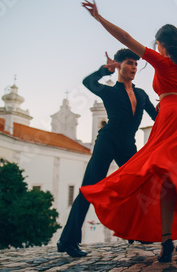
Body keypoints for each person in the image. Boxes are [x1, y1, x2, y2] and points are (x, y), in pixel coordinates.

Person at [80, 0, 177, 263]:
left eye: (158, 43)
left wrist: (99, 18)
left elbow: (125, 37)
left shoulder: (163, 62)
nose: (156, 47)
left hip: (170, 117)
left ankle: (167, 241)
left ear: (162, 44)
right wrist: (176, 94)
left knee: (156, 175)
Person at [57, 48, 158, 257]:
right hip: (107, 141)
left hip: (128, 146)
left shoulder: (141, 94)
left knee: (141, 185)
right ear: (120, 65)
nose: (134, 67)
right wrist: (105, 70)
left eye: (136, 64)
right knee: (88, 189)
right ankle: (68, 241)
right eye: (129, 63)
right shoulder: (110, 92)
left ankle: (136, 231)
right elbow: (88, 83)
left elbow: (156, 116)